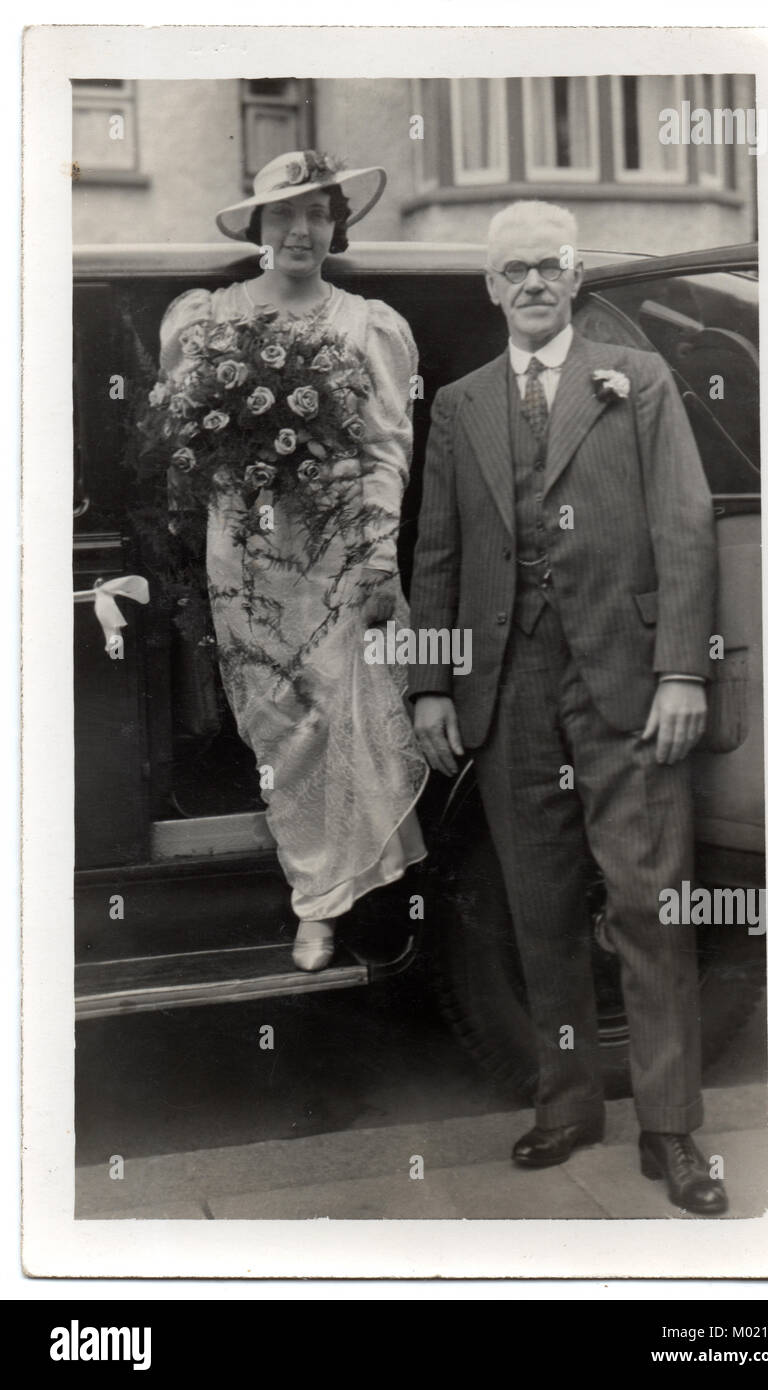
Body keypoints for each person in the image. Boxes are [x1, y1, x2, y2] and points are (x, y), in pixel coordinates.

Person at [408, 200, 728, 1216]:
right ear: (491, 288)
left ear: (574, 275)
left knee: (645, 901)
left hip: (627, 681)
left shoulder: (635, 381)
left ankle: (671, 1129)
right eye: (513, 271)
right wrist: (427, 681)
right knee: (538, 909)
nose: (532, 283)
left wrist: (682, 670)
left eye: (547, 265)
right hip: (506, 685)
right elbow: (437, 554)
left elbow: (683, 523)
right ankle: (566, 1102)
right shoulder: (458, 405)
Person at [157, 150, 427, 971]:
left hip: (338, 553)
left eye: (317, 214)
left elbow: (387, 448)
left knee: (345, 711)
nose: (301, 231)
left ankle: (333, 904)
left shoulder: (364, 322)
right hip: (244, 552)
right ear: (259, 229)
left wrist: (378, 553)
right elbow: (182, 441)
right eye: (284, 216)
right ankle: (317, 889)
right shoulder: (211, 318)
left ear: (335, 225)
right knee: (278, 721)